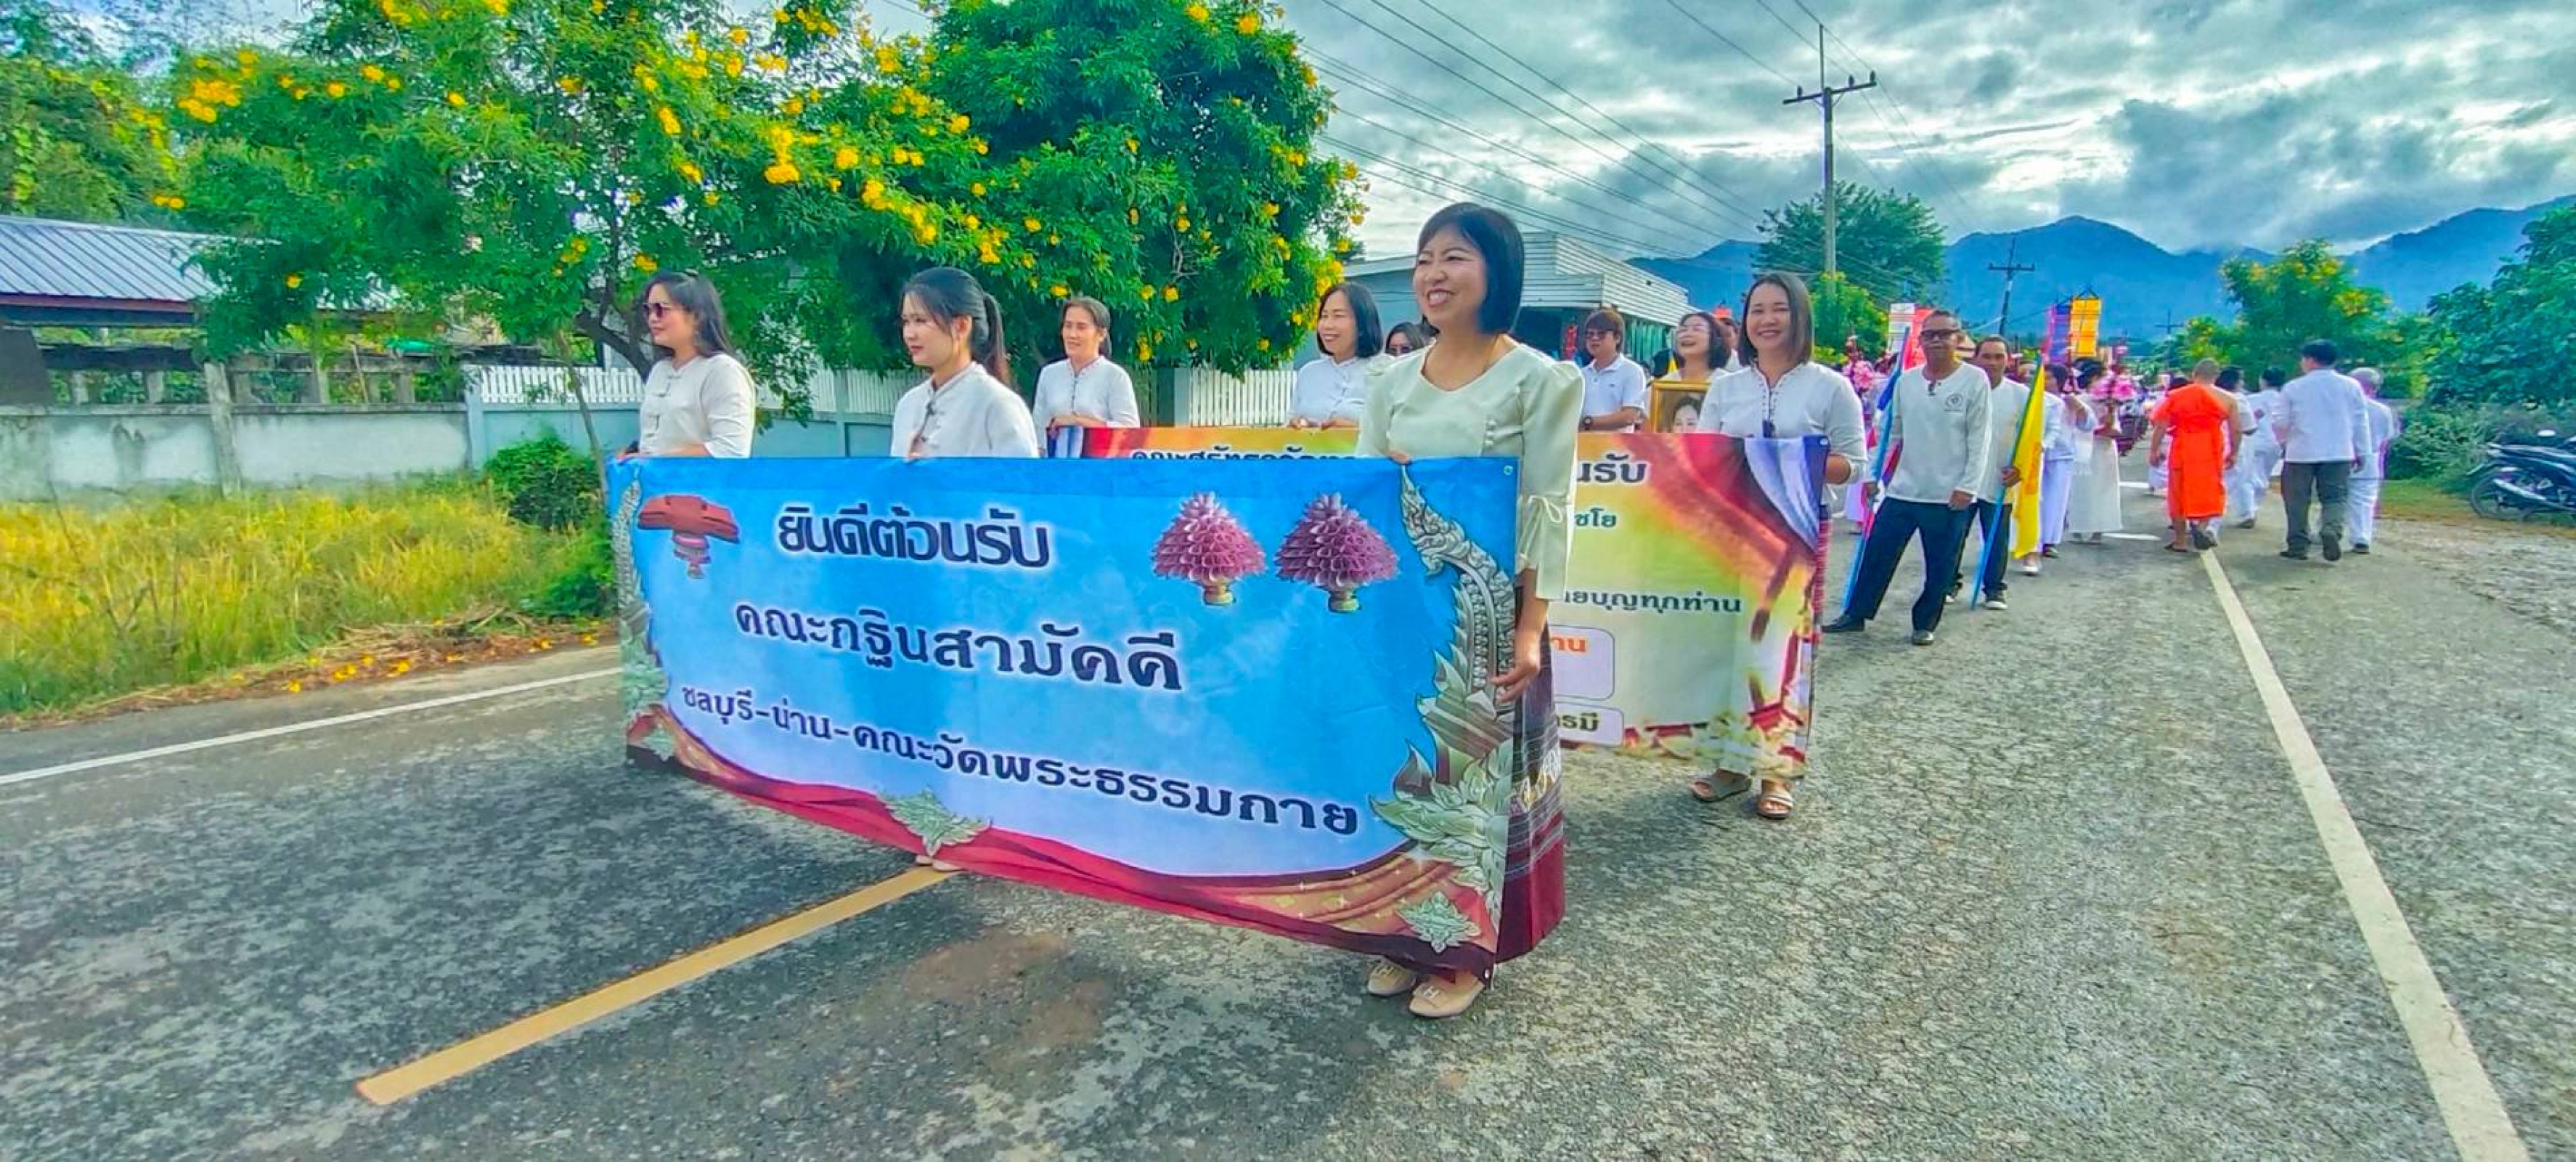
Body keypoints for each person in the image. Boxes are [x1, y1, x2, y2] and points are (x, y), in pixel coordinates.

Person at [1356, 202, 1578, 1020]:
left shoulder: (1539, 381)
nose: (1433, 274)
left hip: (1488, 617)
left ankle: (1465, 953)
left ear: (1497, 271)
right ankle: (1405, 934)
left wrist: (1530, 629)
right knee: (1407, 772)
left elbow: (1547, 509)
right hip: (1405, 611)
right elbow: (1361, 499)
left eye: (1454, 257)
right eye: (1423, 258)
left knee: (1474, 783)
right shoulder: (1390, 382)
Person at [1690, 271, 1863, 819]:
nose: (1767, 320)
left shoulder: (1830, 387)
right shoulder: (1726, 388)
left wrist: (1790, 459)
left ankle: (1777, 771)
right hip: (1733, 529)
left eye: (1779, 309)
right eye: (1757, 310)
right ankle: (1730, 765)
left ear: (1800, 317)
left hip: (1798, 530)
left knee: (1785, 649)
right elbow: (1703, 458)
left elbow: (1853, 465)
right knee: (1729, 648)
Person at [1824, 307, 1991, 646]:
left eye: (1945, 334)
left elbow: (1980, 438)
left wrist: (1968, 486)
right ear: (1921, 341)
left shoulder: (1974, 380)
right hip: (1903, 489)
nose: (1937, 341)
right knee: (1877, 554)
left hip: (1948, 494)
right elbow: (1891, 433)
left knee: (1940, 564)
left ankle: (1924, 623)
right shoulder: (1907, 381)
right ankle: (1856, 613)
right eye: (1930, 335)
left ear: (1958, 338)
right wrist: (1872, 474)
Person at [888, 266, 1040, 462]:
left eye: (920, 320)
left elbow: (1021, 478)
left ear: (961, 326)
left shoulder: (997, 404)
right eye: (906, 322)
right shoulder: (909, 405)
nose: (910, 334)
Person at [633, 271, 756, 458]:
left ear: (696, 316)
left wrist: (658, 460)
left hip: (699, 478)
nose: (652, 318)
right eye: (648, 310)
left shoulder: (722, 371)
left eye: (661, 309)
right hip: (655, 478)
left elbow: (731, 450)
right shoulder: (660, 371)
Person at [2273, 338, 2371, 561]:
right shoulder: (2351, 386)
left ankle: (2298, 545)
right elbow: (2360, 422)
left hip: (2301, 452)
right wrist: (2362, 451)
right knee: (2335, 497)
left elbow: (2280, 422)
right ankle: (2331, 529)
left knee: (2297, 500)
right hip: (2339, 451)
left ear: (2309, 360)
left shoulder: (2294, 387)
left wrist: (2284, 442)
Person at [1952, 336, 2031, 609]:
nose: (1992, 363)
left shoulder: (2021, 396)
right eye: (1986, 356)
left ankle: (1994, 588)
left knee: (1996, 535)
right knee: (1954, 534)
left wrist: (2020, 467)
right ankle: (1949, 583)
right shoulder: (1963, 390)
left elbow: (2033, 437)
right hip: (1963, 476)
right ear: (1976, 358)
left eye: (1999, 357)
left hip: (2000, 476)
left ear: (2008, 361)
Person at [2146, 359, 2242, 553]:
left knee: (2178, 492)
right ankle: (2201, 526)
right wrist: (2234, 452)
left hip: (2184, 445)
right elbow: (2236, 430)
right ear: (2216, 377)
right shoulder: (2229, 399)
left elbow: (2161, 425)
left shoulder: (2178, 395)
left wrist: (2154, 450)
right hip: (2211, 447)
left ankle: (2180, 541)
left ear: (2194, 374)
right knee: (2209, 489)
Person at [1030, 296, 1141, 436]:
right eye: (1068, 326)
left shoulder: (1115, 376)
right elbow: (1038, 431)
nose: (1072, 334)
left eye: (1081, 327)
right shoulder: (1049, 374)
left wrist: (1078, 422)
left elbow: (1130, 432)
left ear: (1101, 334)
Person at [1289, 282, 1387, 429]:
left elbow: (1401, 431)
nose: (1328, 325)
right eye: (1324, 316)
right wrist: (1297, 425)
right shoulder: (1309, 373)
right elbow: (1289, 425)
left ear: (1362, 324)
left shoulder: (1386, 371)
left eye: (1338, 316)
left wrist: (1356, 430)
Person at [2029, 362, 2087, 573]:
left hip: (2060, 456)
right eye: (2043, 378)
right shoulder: (2032, 399)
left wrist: (2079, 409)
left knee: (2054, 501)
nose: (2045, 382)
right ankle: (2030, 540)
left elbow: (2088, 424)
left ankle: (2049, 541)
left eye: (2050, 378)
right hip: (2035, 456)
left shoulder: (2069, 401)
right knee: (2033, 500)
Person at [2066, 362, 2124, 543]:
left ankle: (2098, 528)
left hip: (2102, 450)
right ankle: (2079, 526)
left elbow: (2114, 431)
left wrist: (2110, 415)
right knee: (2081, 488)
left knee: (2101, 489)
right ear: (2094, 379)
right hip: (2083, 448)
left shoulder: (2110, 402)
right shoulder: (2078, 400)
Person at [2348, 367, 2401, 553]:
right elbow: (2387, 440)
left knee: (2333, 497)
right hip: (2371, 458)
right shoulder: (2385, 411)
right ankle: (2362, 537)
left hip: (2342, 456)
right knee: (2364, 501)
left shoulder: (2344, 408)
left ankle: (2326, 529)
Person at [1647, 311, 1724, 430]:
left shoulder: (1727, 383)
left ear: (1715, 339)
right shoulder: (1664, 385)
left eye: (1697, 329)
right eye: (1683, 330)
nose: (1687, 334)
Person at [1576, 308, 1649, 433]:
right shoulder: (1581, 374)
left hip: (1616, 444)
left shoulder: (1632, 372)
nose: (1594, 339)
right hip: (1582, 443)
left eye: (1601, 334)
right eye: (1590, 335)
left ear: (1617, 338)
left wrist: (1588, 422)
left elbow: (1629, 416)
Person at [2230, 367, 2288, 527]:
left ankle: (2248, 512)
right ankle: (2253, 508)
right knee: (2263, 476)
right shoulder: (2284, 400)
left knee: (2247, 477)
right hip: (2275, 443)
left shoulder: (2251, 399)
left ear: (2263, 381)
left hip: (2253, 441)